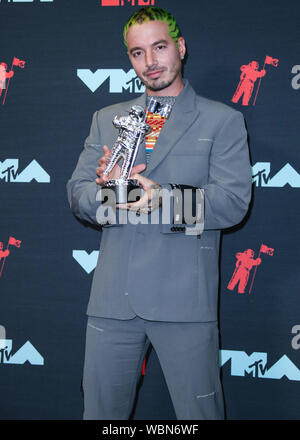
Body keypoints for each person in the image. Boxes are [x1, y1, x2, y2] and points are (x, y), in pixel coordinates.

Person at [67, 7, 252, 420]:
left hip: (184, 304)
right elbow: (78, 196)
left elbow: (233, 203)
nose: (149, 62)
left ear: (180, 48)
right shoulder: (107, 120)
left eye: (160, 47)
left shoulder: (223, 120)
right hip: (112, 303)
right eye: (137, 53)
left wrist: (164, 198)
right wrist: (109, 192)